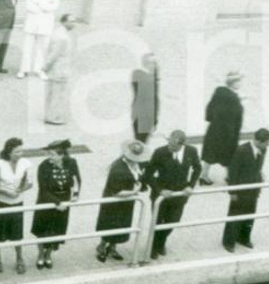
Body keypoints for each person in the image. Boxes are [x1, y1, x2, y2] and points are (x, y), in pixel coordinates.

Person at [144, 129, 201, 260]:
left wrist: (190, 185)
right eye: (169, 144)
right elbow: (148, 174)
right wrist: (160, 190)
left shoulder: (191, 151)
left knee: (173, 222)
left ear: (182, 145)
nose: (170, 148)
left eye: (174, 147)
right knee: (157, 222)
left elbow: (197, 168)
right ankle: (154, 247)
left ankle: (160, 242)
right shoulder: (160, 152)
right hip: (162, 194)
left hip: (179, 195)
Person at [95, 140, 151, 263]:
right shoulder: (118, 169)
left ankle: (113, 247)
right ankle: (102, 247)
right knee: (110, 225)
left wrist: (140, 186)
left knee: (121, 225)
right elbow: (117, 192)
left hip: (126, 203)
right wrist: (134, 191)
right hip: (114, 202)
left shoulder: (137, 165)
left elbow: (141, 178)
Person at [31, 139, 80, 269]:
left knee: (56, 230)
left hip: (64, 201)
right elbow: (43, 189)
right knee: (42, 231)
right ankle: (41, 254)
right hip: (46, 200)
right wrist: (57, 203)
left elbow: (76, 181)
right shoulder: (44, 166)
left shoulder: (71, 163)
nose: (49, 157)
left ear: (61, 155)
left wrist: (75, 195)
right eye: (49, 154)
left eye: (52, 154)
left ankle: (48, 255)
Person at [222, 128, 269, 253]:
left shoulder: (263, 150)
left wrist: (259, 179)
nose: (268, 145)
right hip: (240, 190)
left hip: (253, 189)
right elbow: (233, 173)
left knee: (250, 215)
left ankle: (244, 237)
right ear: (258, 141)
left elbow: (259, 167)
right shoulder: (241, 151)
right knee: (235, 215)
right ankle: (228, 241)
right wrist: (232, 191)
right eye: (266, 142)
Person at [0, 137, 33, 274]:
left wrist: (21, 189)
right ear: (9, 152)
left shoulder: (26, 163)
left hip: (18, 202)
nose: (20, 154)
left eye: (21, 151)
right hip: (1, 202)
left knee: (17, 233)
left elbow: (29, 182)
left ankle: (19, 258)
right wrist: (7, 193)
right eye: (17, 152)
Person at [200, 71, 245, 185]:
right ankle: (230, 177)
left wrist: (212, 121)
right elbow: (237, 119)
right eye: (238, 81)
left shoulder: (218, 92)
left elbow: (209, 110)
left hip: (214, 129)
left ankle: (204, 176)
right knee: (230, 155)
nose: (240, 83)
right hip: (228, 133)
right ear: (232, 83)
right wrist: (235, 132)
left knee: (210, 154)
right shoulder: (234, 99)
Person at [17, 0, 60, 79]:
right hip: (31, 25)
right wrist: (44, 6)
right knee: (27, 49)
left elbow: (52, 8)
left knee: (43, 49)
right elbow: (29, 7)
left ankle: (39, 70)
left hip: (45, 26)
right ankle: (23, 70)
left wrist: (39, 3)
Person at [44, 14, 78, 125]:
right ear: (64, 22)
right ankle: (53, 116)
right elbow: (55, 54)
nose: (73, 23)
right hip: (60, 69)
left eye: (74, 21)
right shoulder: (62, 37)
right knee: (57, 94)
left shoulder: (58, 33)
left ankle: (50, 114)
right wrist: (46, 66)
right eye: (71, 21)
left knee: (52, 93)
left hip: (57, 68)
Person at [131, 52, 160, 143]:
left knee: (143, 143)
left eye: (155, 63)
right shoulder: (138, 74)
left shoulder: (152, 80)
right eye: (152, 63)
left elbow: (155, 100)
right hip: (141, 116)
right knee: (140, 144)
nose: (155, 65)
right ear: (145, 64)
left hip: (149, 117)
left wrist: (155, 119)